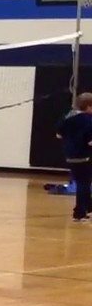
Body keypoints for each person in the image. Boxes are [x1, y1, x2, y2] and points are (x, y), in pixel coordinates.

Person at [57, 93, 92, 222]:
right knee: (85, 183)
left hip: (70, 155)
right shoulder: (88, 120)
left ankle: (84, 209)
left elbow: (59, 135)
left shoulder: (67, 117)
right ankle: (81, 212)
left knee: (81, 183)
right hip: (84, 155)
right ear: (88, 106)